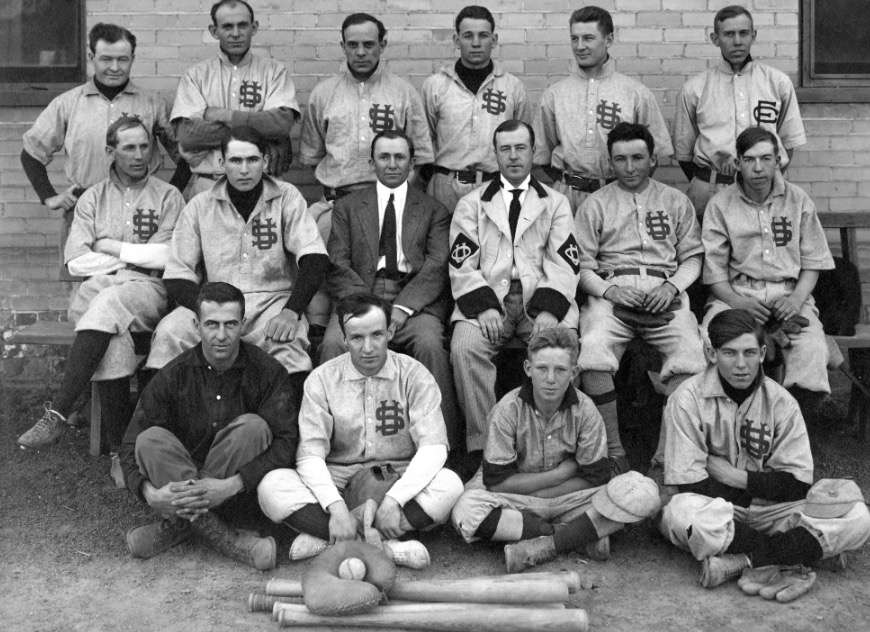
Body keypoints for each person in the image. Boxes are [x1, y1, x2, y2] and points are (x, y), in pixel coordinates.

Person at [659, 309, 870, 595]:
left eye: (749, 353)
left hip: (772, 510)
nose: (741, 365)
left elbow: (797, 485)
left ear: (762, 353)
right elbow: (690, 484)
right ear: (711, 353)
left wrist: (737, 477)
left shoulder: (782, 401)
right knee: (680, 512)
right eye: (730, 353)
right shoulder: (686, 399)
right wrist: (766, 490)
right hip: (719, 509)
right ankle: (797, 551)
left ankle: (744, 560)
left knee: (858, 515)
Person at [17, 117, 184, 474]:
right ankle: (119, 453)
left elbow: (168, 257)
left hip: (145, 290)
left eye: (144, 146)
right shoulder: (92, 198)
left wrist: (109, 248)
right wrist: (133, 255)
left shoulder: (168, 196)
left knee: (108, 304)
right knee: (114, 338)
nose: (139, 155)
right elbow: (76, 263)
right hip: (92, 292)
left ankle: (60, 410)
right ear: (110, 151)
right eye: (129, 147)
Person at [257, 294, 464, 566]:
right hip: (339, 478)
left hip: (397, 474)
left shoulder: (414, 374)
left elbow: (434, 448)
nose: (368, 347)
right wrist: (336, 507)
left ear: (390, 332)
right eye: (357, 338)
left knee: (450, 485)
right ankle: (384, 545)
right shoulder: (321, 379)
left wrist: (394, 501)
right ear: (344, 339)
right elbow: (309, 456)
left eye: (377, 335)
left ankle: (333, 539)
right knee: (271, 487)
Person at [450, 327, 661, 572]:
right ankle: (574, 536)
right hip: (519, 499)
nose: (550, 378)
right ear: (528, 369)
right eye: (542, 369)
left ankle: (546, 545)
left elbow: (595, 476)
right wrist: (558, 475)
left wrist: (549, 493)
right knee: (465, 508)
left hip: (572, 499)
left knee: (642, 494)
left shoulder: (586, 410)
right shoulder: (507, 409)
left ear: (573, 373)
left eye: (560, 370)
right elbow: (497, 482)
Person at [123, 282, 299, 570]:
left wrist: (233, 484)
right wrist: (149, 493)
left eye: (230, 324)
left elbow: (287, 442)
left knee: (253, 427)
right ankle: (226, 538)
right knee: (149, 439)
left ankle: (181, 524)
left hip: (238, 495)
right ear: (196, 325)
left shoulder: (267, 372)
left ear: (243, 324)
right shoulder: (173, 375)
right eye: (212, 324)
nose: (221, 335)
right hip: (177, 477)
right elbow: (130, 443)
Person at [145, 126, 328, 400]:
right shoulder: (199, 205)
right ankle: (161, 430)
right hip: (212, 301)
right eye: (235, 160)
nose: (244, 169)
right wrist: (206, 311)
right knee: (171, 333)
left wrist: (291, 312)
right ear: (221, 163)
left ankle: (286, 437)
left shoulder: (287, 197)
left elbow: (314, 259)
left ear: (265, 162)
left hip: (271, 303)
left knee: (288, 343)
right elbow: (177, 275)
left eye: (252, 160)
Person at [575, 122, 706, 472]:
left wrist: (672, 287)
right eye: (620, 159)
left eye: (637, 158)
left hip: (665, 290)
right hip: (613, 293)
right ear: (610, 163)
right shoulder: (595, 204)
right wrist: (609, 290)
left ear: (652, 160)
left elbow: (693, 257)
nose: (629, 167)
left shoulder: (674, 200)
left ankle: (666, 458)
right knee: (592, 348)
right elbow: (582, 266)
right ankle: (613, 451)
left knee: (690, 354)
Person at [449, 119, 579, 468]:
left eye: (520, 148)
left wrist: (549, 312)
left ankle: (555, 447)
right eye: (505, 149)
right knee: (465, 347)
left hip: (540, 301)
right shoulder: (472, 203)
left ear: (532, 151)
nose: (513, 156)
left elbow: (565, 262)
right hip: (489, 300)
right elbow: (461, 264)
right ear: (495, 154)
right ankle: (486, 446)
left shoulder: (556, 203)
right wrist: (484, 308)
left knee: (562, 342)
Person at [322, 130, 459, 450]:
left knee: (429, 344)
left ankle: (443, 444)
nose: (392, 164)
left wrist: (401, 309)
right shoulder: (348, 208)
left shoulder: (433, 209)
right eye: (384, 157)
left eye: (400, 157)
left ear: (412, 163)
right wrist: (370, 309)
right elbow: (337, 263)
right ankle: (335, 443)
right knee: (332, 343)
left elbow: (437, 265)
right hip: (360, 295)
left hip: (413, 300)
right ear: (372, 163)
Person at [701, 127, 834, 417]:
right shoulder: (720, 205)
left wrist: (796, 300)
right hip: (737, 294)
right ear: (737, 163)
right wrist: (740, 302)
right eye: (749, 160)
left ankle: (793, 432)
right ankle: (724, 425)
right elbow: (714, 276)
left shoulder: (798, 200)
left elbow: (813, 263)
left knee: (811, 349)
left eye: (766, 158)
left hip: (789, 294)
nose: (758, 168)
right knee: (712, 341)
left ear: (778, 161)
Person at [20, 23, 177, 215]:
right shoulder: (67, 104)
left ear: (133, 59)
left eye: (123, 60)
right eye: (106, 59)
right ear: (91, 58)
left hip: (141, 210)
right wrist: (48, 196)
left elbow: (186, 156)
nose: (114, 67)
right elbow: (32, 153)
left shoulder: (153, 104)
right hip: (84, 209)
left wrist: (171, 194)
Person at [533, 6, 673, 214]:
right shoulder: (554, 95)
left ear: (608, 40)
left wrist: (627, 186)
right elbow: (542, 156)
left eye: (588, 38)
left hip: (620, 195)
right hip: (566, 198)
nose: (580, 46)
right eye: (574, 39)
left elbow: (654, 155)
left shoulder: (636, 93)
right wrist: (570, 182)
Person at [674, 5, 806, 216]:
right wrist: (707, 180)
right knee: (710, 248)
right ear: (715, 38)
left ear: (753, 36)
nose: (737, 41)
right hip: (710, 189)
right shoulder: (695, 88)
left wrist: (765, 176)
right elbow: (684, 153)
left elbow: (788, 142)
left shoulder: (777, 82)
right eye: (728, 34)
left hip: (765, 190)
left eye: (743, 33)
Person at [300, 12, 433, 208]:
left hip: (391, 203)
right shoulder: (323, 94)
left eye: (368, 44)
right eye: (353, 45)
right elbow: (313, 155)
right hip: (336, 202)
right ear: (343, 47)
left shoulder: (404, 93)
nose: (360, 52)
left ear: (382, 45)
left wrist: (395, 193)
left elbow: (420, 157)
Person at [171, 0, 299, 199]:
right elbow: (188, 135)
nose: (236, 33)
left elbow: (281, 124)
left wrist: (224, 115)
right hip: (209, 185)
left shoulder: (274, 72)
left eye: (243, 25)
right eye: (227, 26)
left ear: (254, 27)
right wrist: (259, 129)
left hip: (264, 184)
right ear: (214, 31)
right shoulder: (196, 76)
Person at [421, 5, 531, 211]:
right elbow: (424, 140)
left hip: (497, 186)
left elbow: (523, 140)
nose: (476, 43)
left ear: (494, 40)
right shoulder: (435, 85)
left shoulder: (512, 87)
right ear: (456, 40)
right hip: (445, 189)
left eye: (483, 35)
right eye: (468, 36)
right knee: (446, 243)